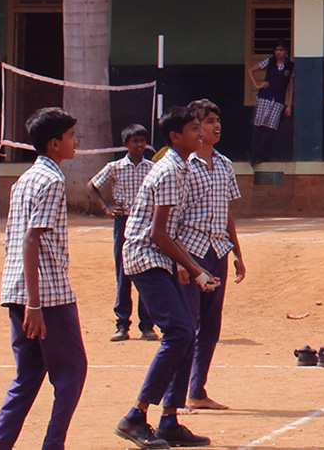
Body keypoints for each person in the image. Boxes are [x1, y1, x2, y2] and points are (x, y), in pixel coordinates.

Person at [116, 106, 217, 449]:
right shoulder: (171, 171)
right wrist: (196, 268)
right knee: (179, 331)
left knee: (186, 332)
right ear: (176, 137)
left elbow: (172, 230)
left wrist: (190, 267)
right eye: (193, 129)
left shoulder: (184, 167)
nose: (200, 133)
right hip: (145, 255)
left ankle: (170, 420)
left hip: (163, 256)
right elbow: (158, 233)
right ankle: (135, 415)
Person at [0, 108, 87, 450]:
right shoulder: (52, 180)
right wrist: (35, 304)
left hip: (16, 288)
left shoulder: (25, 180)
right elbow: (31, 239)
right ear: (54, 143)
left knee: (27, 377)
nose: (76, 143)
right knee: (72, 373)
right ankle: (53, 445)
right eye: (72, 137)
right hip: (46, 296)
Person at [180, 100, 245, 412]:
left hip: (217, 250)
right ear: (194, 128)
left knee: (210, 325)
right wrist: (181, 263)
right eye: (208, 121)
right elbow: (172, 218)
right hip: (191, 253)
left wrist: (237, 253)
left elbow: (227, 212)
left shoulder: (224, 164)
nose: (215, 126)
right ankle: (174, 393)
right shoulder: (182, 165)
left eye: (217, 120)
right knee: (186, 324)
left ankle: (197, 389)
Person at [89, 123, 156, 343]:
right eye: (135, 141)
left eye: (142, 141)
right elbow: (92, 185)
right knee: (123, 273)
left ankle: (147, 326)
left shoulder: (152, 168)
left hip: (146, 224)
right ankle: (122, 324)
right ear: (125, 144)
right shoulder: (115, 167)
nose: (139, 145)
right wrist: (106, 208)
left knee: (146, 270)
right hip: (124, 222)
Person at [245, 41, 293, 167]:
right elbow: (251, 70)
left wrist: (289, 105)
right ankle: (254, 154)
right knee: (258, 125)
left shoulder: (290, 66)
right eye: (276, 50)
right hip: (264, 97)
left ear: (286, 51)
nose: (278, 52)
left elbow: (291, 86)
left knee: (270, 128)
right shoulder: (269, 61)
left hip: (278, 100)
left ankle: (263, 154)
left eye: (281, 50)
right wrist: (257, 85)